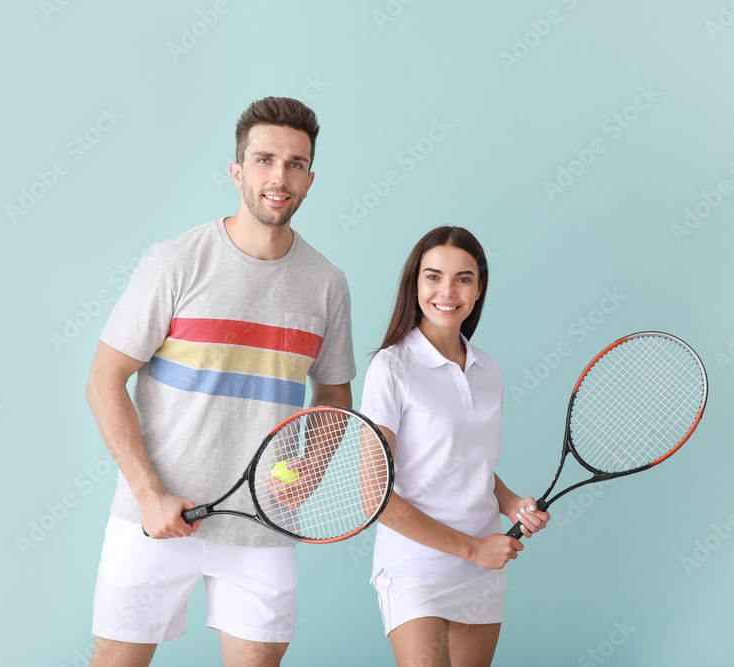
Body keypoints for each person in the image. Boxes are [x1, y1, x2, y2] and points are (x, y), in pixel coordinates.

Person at [85, 97, 356, 667]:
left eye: (295, 164)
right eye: (263, 160)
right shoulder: (174, 262)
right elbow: (104, 381)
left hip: (264, 527)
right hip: (156, 519)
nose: (278, 177)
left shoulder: (327, 284)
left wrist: (311, 467)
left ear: (310, 178)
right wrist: (148, 494)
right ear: (237, 171)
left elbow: (332, 394)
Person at [359, 226, 550, 666]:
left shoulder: (490, 370)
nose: (448, 290)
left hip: (481, 567)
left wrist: (511, 503)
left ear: (479, 288)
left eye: (463, 278)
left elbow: (468, 459)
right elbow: (375, 497)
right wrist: (472, 548)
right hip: (415, 566)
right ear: (415, 284)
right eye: (433, 276)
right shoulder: (391, 368)